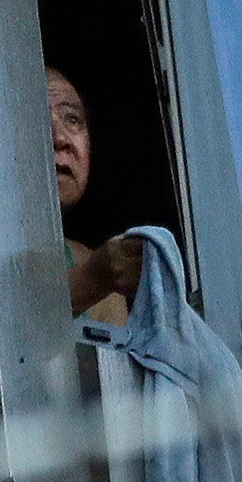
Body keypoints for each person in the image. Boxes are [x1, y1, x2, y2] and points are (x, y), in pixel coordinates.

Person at [49, 67, 141, 325]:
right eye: (35, 116)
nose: (60, 138)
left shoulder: (102, 274)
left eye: (72, 119)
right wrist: (93, 279)